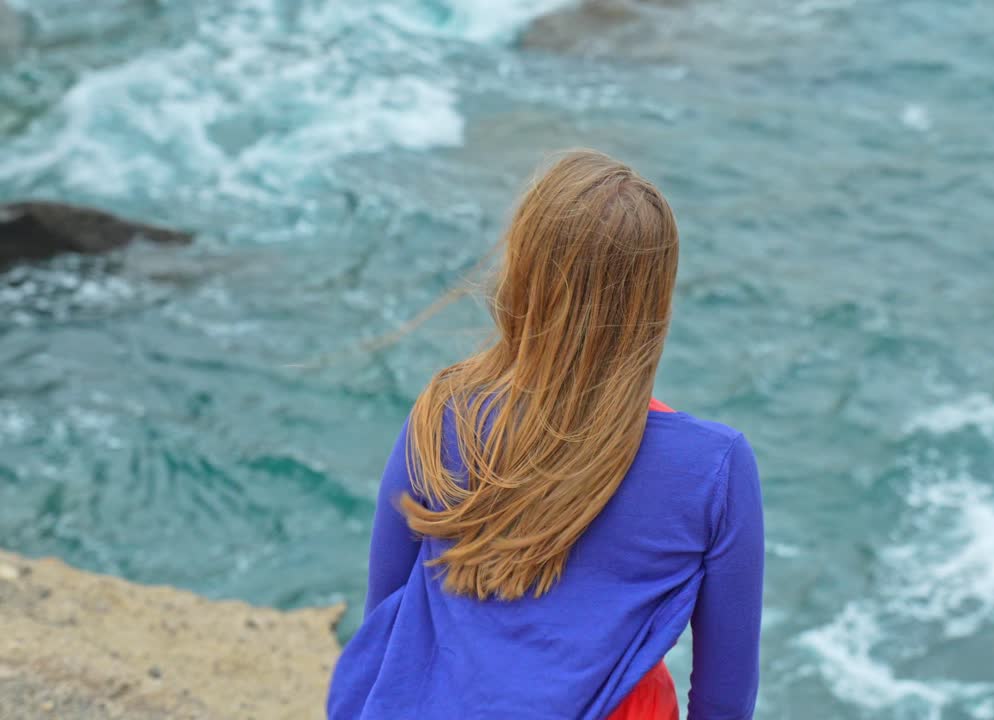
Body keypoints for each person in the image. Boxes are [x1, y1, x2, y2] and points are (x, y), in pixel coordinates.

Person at [327, 150, 765, 719]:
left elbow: (387, 625)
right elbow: (724, 702)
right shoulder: (713, 469)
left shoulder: (443, 414)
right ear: (654, 300)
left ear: (524, 273)